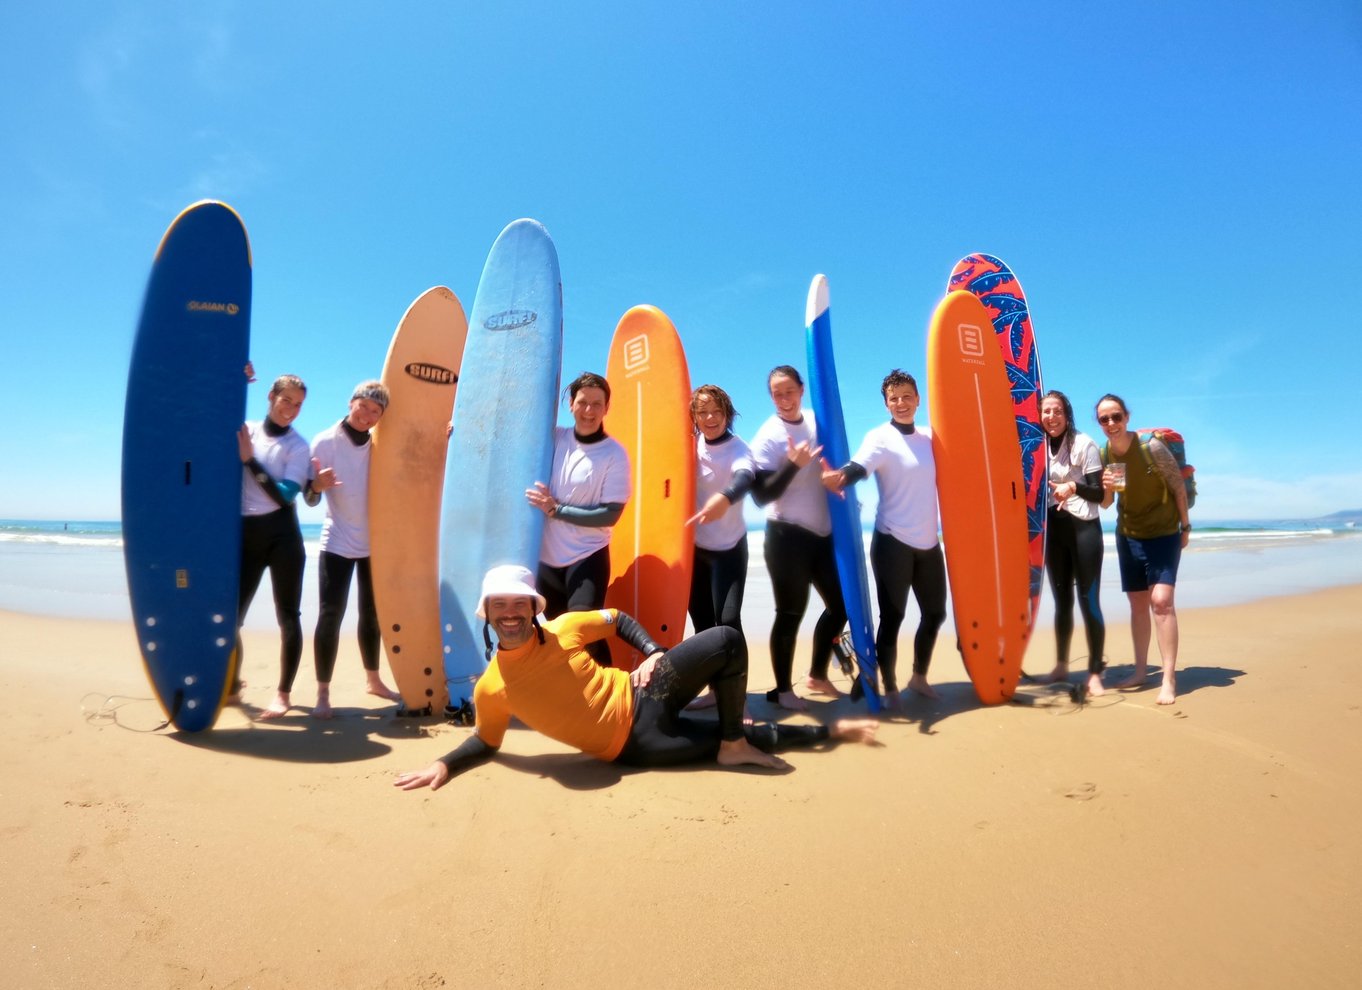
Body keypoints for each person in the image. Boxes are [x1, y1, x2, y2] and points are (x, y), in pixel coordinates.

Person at [392, 565, 877, 790]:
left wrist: (651, 652)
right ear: (488, 616)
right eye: (502, 606)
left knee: (727, 638)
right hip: (636, 745)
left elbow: (618, 618)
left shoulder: (564, 628)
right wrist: (444, 765)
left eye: (521, 603)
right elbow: (487, 742)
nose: (512, 613)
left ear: (534, 609)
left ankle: (734, 742)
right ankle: (824, 731)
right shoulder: (491, 688)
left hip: (645, 688)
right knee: (762, 737)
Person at [821, 369, 946, 706]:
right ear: (886, 404)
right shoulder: (880, 437)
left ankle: (918, 677)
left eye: (907, 396)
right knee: (893, 617)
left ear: (918, 399)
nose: (901, 403)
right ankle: (889, 687)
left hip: (929, 542)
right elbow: (860, 466)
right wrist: (841, 477)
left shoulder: (931, 438)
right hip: (893, 541)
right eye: (894, 398)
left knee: (935, 614)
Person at [748, 365, 845, 711]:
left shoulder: (819, 422)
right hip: (786, 536)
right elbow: (760, 496)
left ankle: (818, 674)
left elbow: (836, 464)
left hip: (822, 535)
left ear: (802, 390)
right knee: (791, 612)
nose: (784, 399)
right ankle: (782, 690)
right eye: (777, 393)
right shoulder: (768, 435)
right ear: (771, 397)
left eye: (789, 391)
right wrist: (792, 464)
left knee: (841, 606)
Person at [304, 380, 401, 719]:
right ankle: (322, 693)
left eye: (376, 411)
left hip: (374, 542)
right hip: (338, 540)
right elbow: (309, 497)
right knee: (330, 615)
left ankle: (373, 680)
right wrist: (318, 485)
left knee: (372, 615)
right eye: (364, 406)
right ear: (351, 403)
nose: (368, 415)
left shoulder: (380, 443)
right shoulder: (325, 442)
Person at [525, 371, 631, 666]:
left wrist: (556, 510)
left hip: (587, 555)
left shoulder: (614, 454)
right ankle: (577, 703)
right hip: (547, 559)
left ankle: (613, 698)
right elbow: (508, 436)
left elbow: (611, 514)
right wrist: (460, 431)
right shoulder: (552, 439)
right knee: (561, 638)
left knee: (585, 634)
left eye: (597, 404)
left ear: (607, 408)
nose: (589, 411)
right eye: (583, 402)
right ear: (570, 404)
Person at [1095, 393, 1191, 705]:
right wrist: (1107, 487)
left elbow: (1177, 486)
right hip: (1129, 536)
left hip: (1163, 533)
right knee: (1138, 605)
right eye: (1104, 419)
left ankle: (1168, 677)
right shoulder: (1108, 452)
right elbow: (1109, 503)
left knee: (1161, 602)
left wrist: (1185, 527)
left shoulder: (1151, 447)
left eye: (1116, 417)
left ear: (1127, 417)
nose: (1111, 423)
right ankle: (1139, 671)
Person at [236, 374, 311, 719]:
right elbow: (211, 411)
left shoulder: (298, 446)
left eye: (298, 405)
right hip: (245, 535)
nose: (291, 411)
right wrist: (236, 375)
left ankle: (283, 695)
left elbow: (285, 496)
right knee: (231, 617)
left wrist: (250, 461)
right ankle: (231, 684)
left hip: (283, 537)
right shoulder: (246, 430)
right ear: (271, 396)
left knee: (288, 617)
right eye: (286, 401)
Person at [1038, 390, 1107, 697]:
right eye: (1046, 412)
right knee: (1062, 602)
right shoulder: (1037, 448)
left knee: (1088, 601)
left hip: (1084, 530)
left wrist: (1073, 486)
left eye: (1057, 411)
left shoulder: (1085, 444)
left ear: (1067, 414)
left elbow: (1099, 494)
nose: (1051, 417)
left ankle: (1094, 673)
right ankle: (1062, 665)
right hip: (1055, 530)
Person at [685, 384, 755, 636]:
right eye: (703, 412)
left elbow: (745, 476)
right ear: (694, 416)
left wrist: (725, 497)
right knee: (702, 625)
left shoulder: (739, 448)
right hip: (694, 550)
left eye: (716, 411)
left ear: (727, 413)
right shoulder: (688, 447)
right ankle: (711, 676)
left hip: (729, 548)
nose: (710, 418)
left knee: (728, 622)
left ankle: (737, 676)